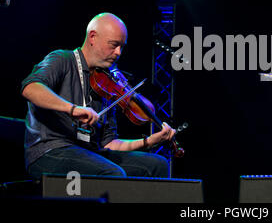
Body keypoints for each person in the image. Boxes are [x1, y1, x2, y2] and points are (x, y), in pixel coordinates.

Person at [21, 12, 176, 180]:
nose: (118, 52)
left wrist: (148, 142)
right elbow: (31, 88)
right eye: (113, 45)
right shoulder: (62, 59)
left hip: (90, 153)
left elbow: (109, 144)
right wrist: (72, 109)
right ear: (93, 37)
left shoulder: (107, 84)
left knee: (158, 165)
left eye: (122, 47)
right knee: (112, 174)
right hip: (50, 151)